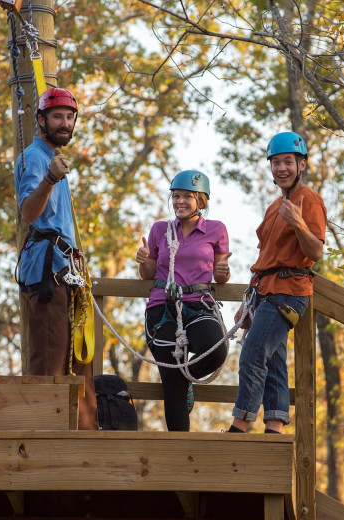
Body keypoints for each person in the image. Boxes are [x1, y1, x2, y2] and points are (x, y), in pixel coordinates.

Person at [227, 131, 326, 434]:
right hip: (265, 291)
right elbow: (265, 256)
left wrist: (298, 224)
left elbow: (315, 251)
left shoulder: (308, 200)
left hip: (288, 292)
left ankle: (240, 426)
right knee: (272, 362)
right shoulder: (274, 206)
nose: (281, 168)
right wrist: (248, 298)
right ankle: (275, 428)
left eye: (288, 162)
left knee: (253, 354)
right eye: (276, 163)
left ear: (302, 165)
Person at [14, 87, 97, 430]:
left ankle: (84, 437)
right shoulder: (35, 158)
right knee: (49, 364)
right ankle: (44, 439)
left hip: (66, 270)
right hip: (48, 271)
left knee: (77, 361)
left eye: (69, 117)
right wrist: (49, 177)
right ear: (41, 120)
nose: (65, 123)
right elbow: (28, 214)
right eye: (57, 117)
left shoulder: (52, 155)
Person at [135, 170, 232, 431]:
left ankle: (182, 379)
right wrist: (144, 261)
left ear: (201, 200)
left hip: (199, 303)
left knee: (216, 351)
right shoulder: (160, 230)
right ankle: (179, 450)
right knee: (172, 385)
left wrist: (223, 273)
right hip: (162, 307)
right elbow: (148, 274)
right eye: (176, 196)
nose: (180, 201)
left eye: (187, 196)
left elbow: (221, 275)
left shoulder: (216, 229)